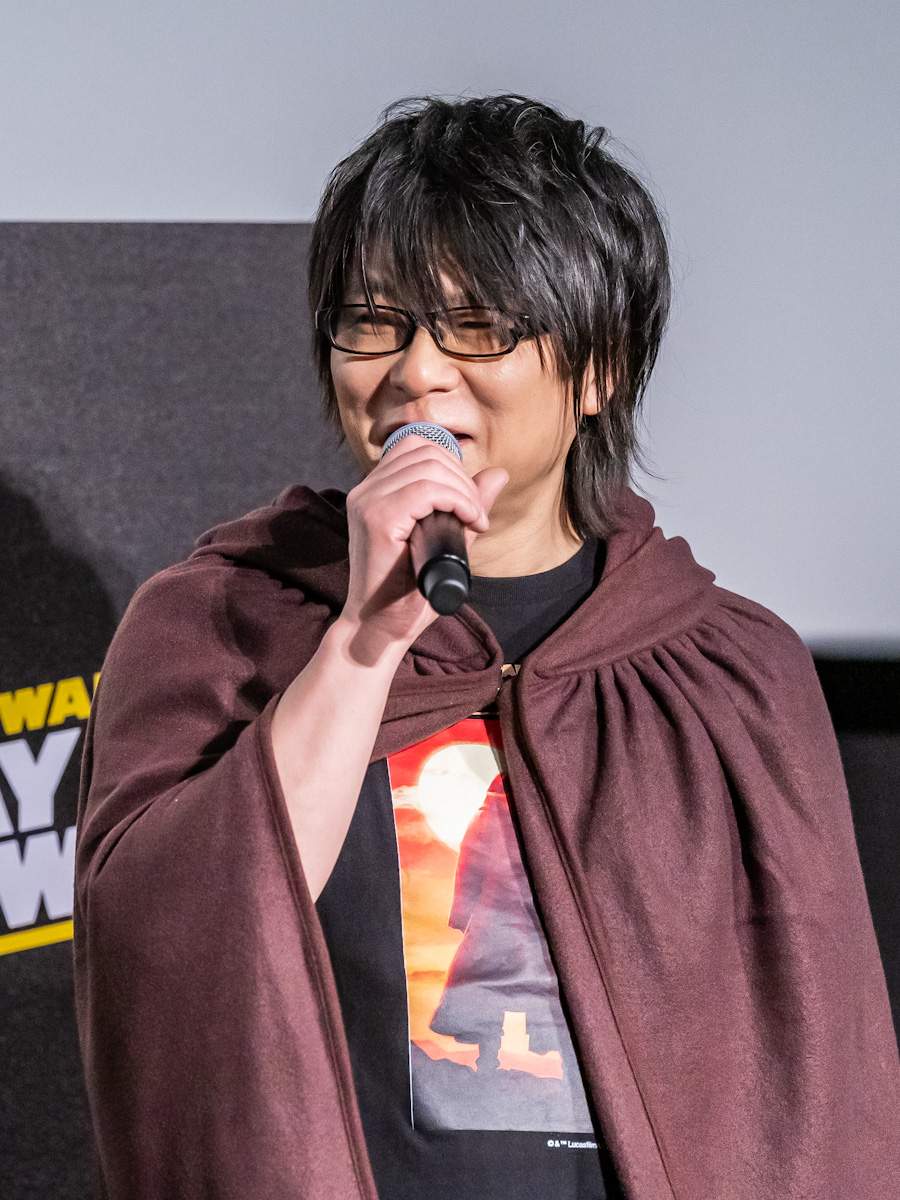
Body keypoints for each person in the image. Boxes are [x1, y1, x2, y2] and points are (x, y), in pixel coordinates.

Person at [74, 95, 900, 1200]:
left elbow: (823, 1081)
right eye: (376, 322)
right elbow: (159, 969)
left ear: (599, 367)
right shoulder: (220, 625)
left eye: (478, 326)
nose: (417, 370)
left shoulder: (729, 672)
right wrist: (360, 646)